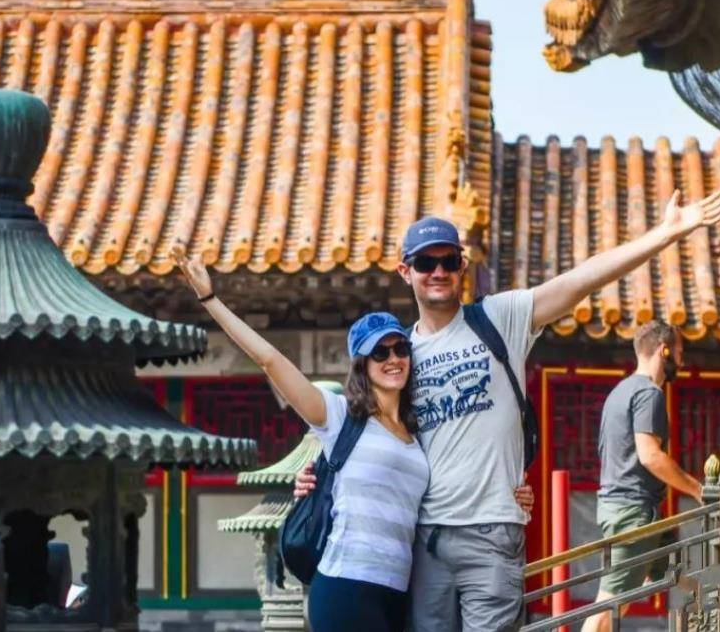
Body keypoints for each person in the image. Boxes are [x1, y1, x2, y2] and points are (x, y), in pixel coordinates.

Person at [296, 188, 720, 631]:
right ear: (406, 271)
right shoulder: (398, 356)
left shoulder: (498, 318)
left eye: (449, 260)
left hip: (493, 532)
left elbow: (580, 281)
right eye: (426, 263)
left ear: (463, 265)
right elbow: (366, 432)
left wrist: (664, 234)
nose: (439, 271)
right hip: (425, 543)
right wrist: (319, 476)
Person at [172, 246, 531, 632]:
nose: (393, 359)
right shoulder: (341, 416)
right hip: (346, 585)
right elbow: (270, 360)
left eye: (400, 348)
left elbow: (466, 452)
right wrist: (210, 299)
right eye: (379, 353)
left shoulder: (418, 431)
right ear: (362, 364)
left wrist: (512, 488)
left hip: (397, 593)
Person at [581, 321, 701, 632]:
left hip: (624, 509)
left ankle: (710, 613)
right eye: (679, 353)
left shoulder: (619, 392)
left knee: (674, 570)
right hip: (633, 515)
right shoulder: (649, 394)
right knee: (607, 608)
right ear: (664, 351)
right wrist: (697, 489)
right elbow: (649, 456)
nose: (682, 361)